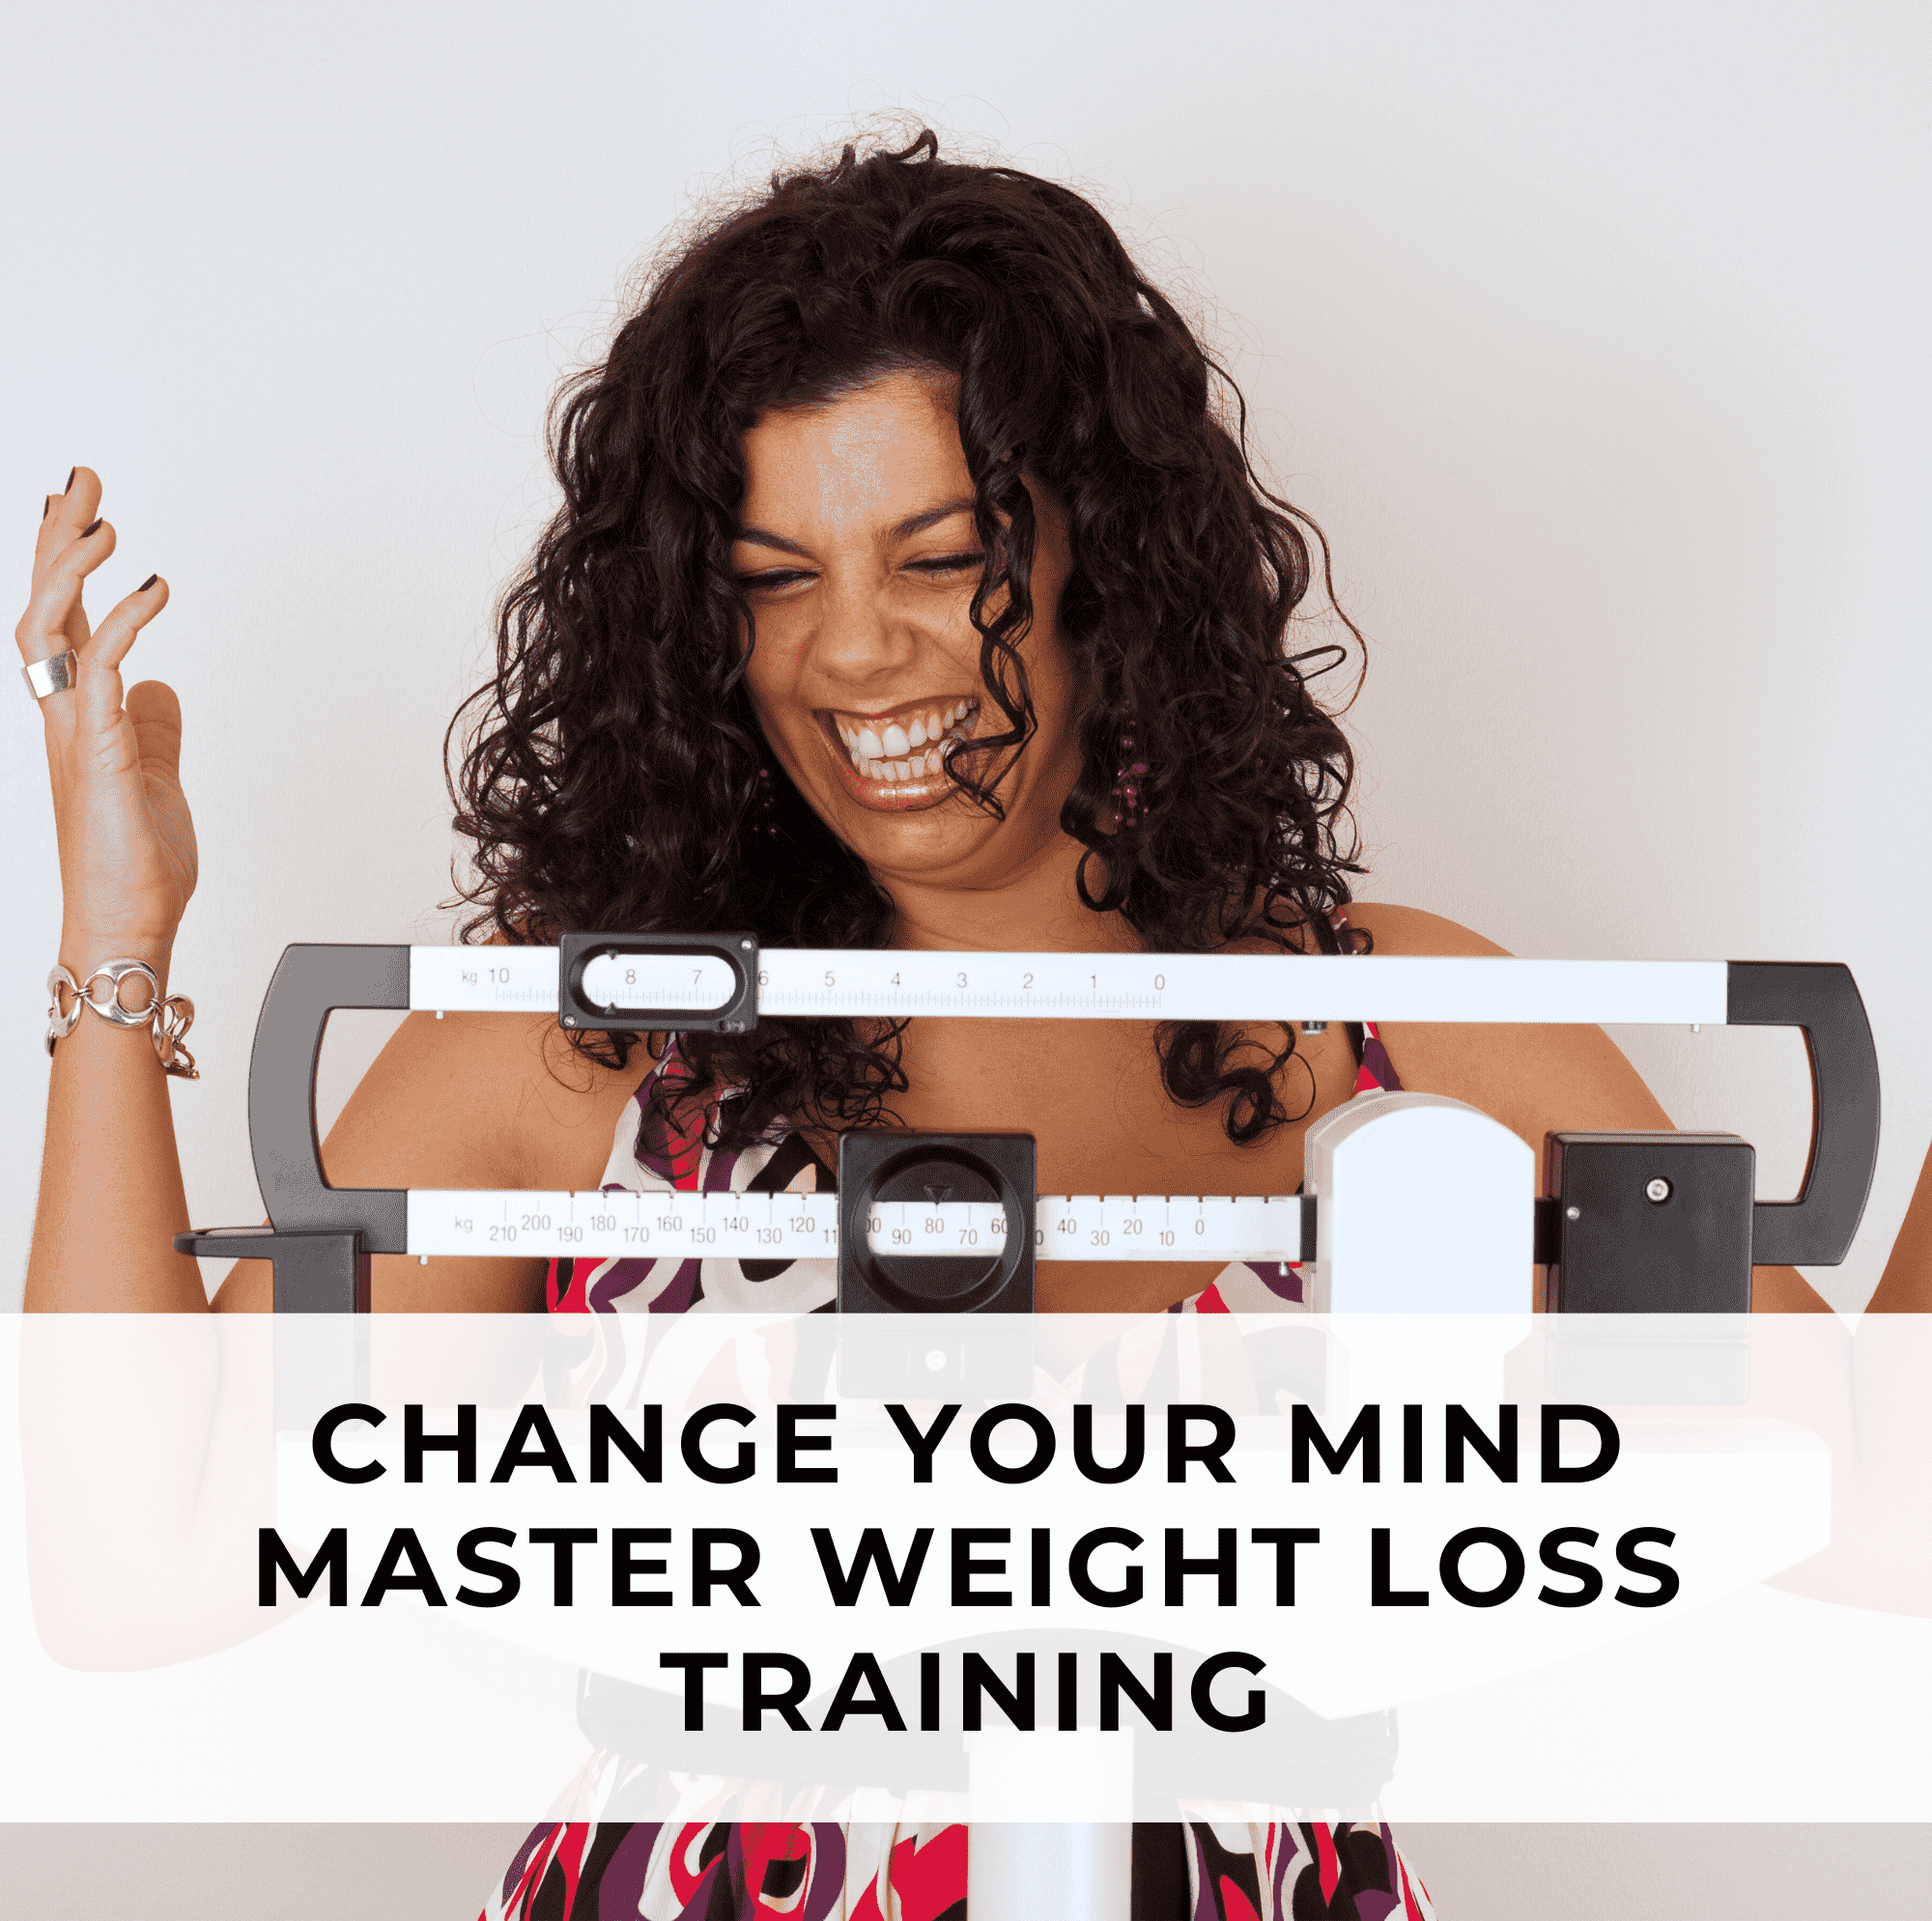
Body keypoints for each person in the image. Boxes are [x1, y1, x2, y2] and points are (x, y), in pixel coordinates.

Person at [21, 128, 1920, 1921]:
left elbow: (1883, 1512)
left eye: (940, 561)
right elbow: (137, 1564)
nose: (855, 655)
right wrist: (117, 940)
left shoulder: (1412, 1034)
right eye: (777, 585)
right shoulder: (593, 1049)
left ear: (1111, 554)